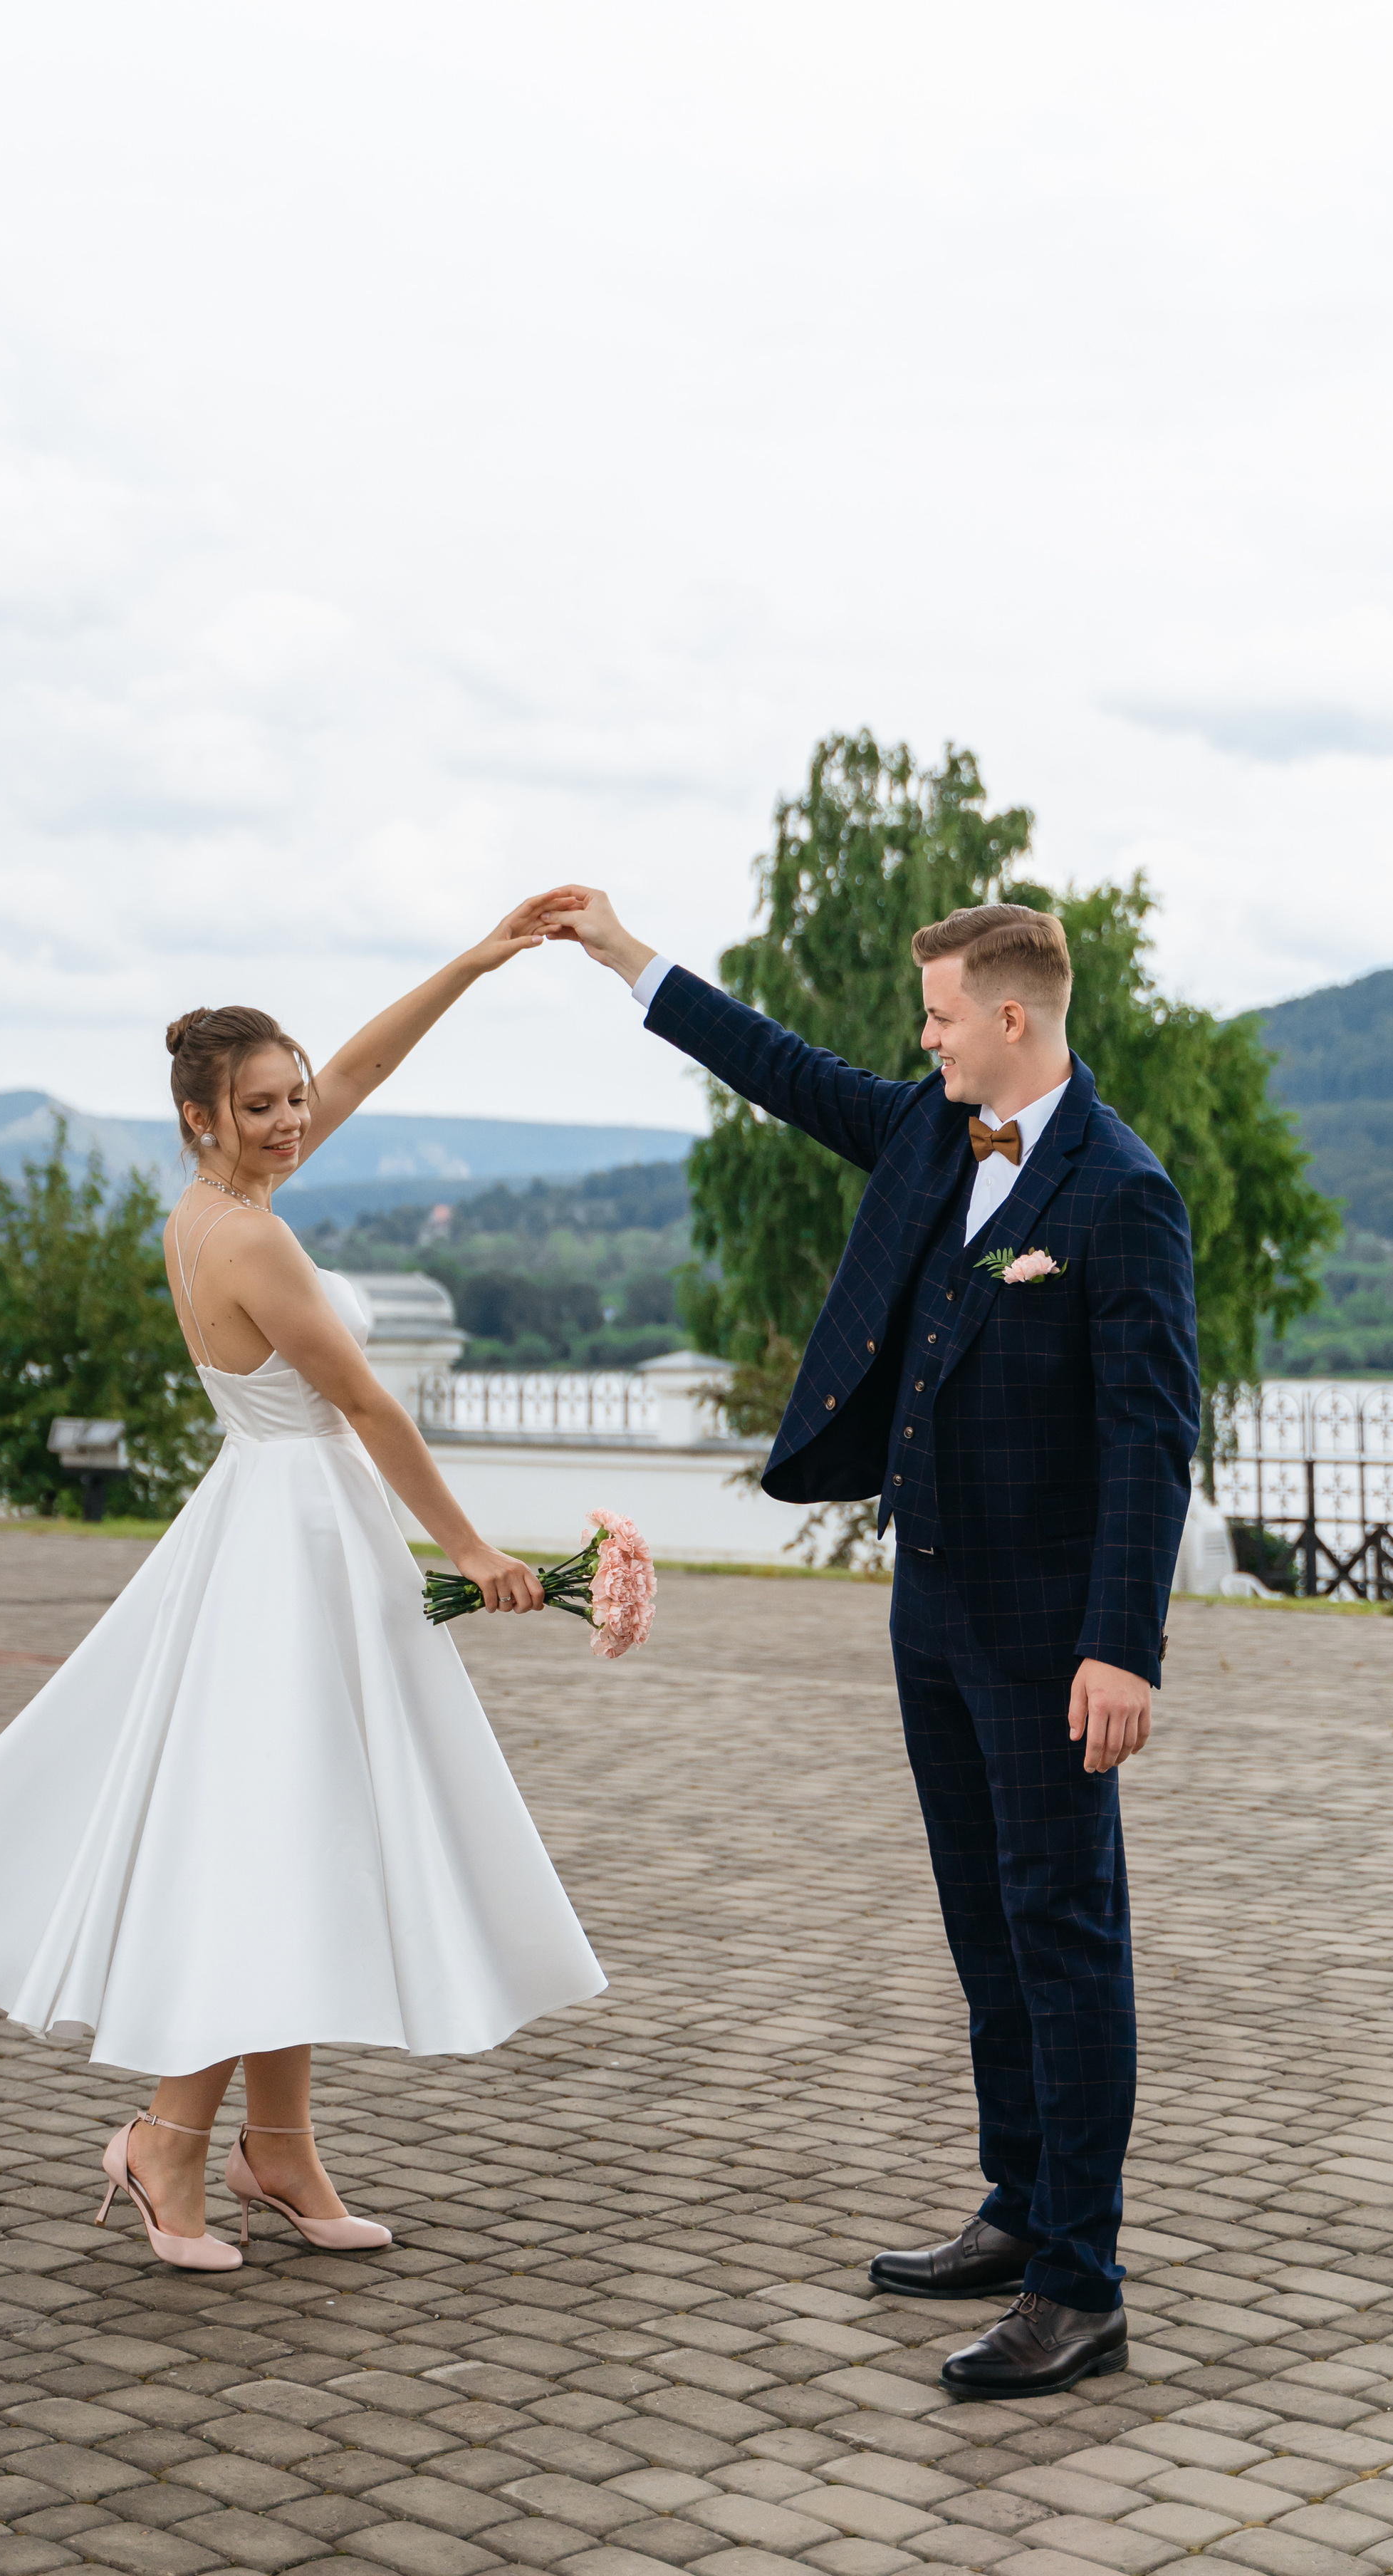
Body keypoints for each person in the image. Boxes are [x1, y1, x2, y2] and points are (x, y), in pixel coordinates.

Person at [0, 900, 605, 2271]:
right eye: (261, 1106)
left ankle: (280, 2146)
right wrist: (473, 1550)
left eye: (293, 1097)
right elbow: (367, 1403)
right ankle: (166, 2141)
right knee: (266, 1845)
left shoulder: (217, 1207)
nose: (292, 1121)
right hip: (291, 1545)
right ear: (201, 1117)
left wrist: (468, 965)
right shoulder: (250, 1240)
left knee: (302, 1839)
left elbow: (357, 1071)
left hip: (285, 1529)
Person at [536, 886, 1197, 2397]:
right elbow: (777, 1066)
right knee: (983, 1925)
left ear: (1011, 1016)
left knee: (1063, 1930)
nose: (924, 1035)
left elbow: (1151, 1434)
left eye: (942, 1013)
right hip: (932, 1607)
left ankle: (1080, 2282)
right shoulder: (927, 1128)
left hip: (1050, 1633)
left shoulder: (1122, 1192)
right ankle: (1017, 2204)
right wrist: (626, 954)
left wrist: (1121, 1645)